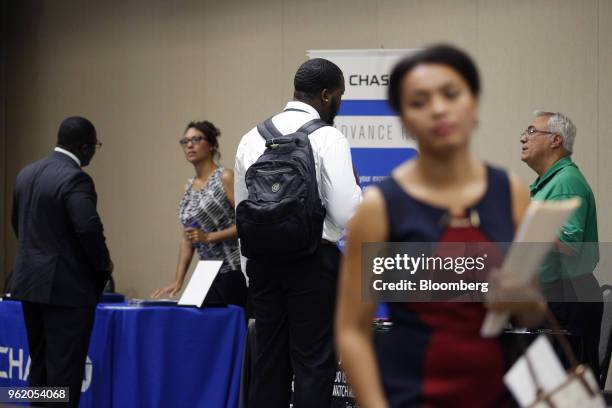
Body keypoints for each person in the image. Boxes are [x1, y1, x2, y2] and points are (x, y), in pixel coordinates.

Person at [336, 45, 546, 408]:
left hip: (498, 392)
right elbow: (353, 330)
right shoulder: (380, 206)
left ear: (474, 105)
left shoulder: (510, 192)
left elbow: (531, 311)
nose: (437, 108)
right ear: (403, 120)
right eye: (418, 101)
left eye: (451, 94)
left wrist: (520, 296)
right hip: (411, 394)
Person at [234, 58, 362, 407]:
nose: (339, 103)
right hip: (312, 264)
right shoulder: (327, 136)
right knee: (313, 364)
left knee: (268, 363)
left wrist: (250, 272)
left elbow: (242, 212)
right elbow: (346, 211)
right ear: (325, 95)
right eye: (339, 96)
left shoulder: (251, 137)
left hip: (262, 266)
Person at [9, 116, 113, 408]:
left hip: (30, 285)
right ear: (84, 146)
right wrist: (104, 266)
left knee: (40, 366)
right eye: (95, 146)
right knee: (63, 374)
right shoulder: (75, 177)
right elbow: (87, 228)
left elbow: (19, 225)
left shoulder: (26, 174)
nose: (94, 151)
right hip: (66, 291)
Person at [520, 110, 602, 378]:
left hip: (567, 299)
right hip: (555, 297)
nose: (523, 137)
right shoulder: (548, 183)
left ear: (556, 140)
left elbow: (569, 243)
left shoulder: (566, 182)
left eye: (532, 131)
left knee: (563, 390)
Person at [152, 121, 246, 308]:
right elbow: (188, 238)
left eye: (196, 139)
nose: (189, 145)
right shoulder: (188, 187)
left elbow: (246, 222)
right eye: (185, 141)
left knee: (229, 329)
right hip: (206, 272)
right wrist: (178, 280)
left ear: (211, 144)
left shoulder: (225, 177)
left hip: (232, 269)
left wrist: (210, 236)